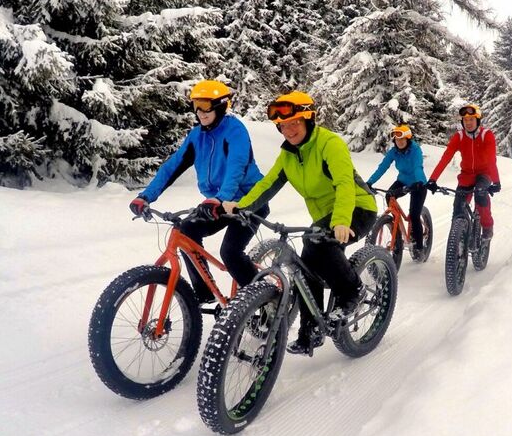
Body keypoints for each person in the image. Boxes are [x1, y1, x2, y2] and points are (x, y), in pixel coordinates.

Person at [222, 91, 378, 355]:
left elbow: (344, 184)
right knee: (306, 266)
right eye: (283, 125)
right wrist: (242, 206)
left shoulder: (330, 144)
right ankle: (311, 331)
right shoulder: (288, 155)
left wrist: (341, 220)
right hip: (324, 217)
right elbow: (268, 184)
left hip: (357, 208)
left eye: (294, 122)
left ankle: (353, 291)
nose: (289, 130)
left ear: (308, 119)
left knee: (315, 243)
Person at [128, 80, 268, 303]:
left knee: (230, 253)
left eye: (205, 105)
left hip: (249, 200)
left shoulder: (235, 130)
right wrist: (146, 196)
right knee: (186, 231)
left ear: (220, 106)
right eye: (196, 105)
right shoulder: (197, 136)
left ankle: (265, 301)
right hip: (217, 202)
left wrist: (220, 198)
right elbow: (172, 166)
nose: (200, 112)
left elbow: (237, 167)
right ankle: (204, 295)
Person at [425, 103, 500, 239]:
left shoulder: (486, 135)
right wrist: (432, 179)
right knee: (458, 207)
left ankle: (487, 226)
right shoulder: (459, 137)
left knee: (481, 195)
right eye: (465, 120)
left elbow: (491, 161)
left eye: (471, 119)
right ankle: (457, 239)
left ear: (477, 120)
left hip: (484, 174)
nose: (468, 123)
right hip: (466, 175)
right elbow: (445, 158)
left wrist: (496, 182)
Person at [366, 124, 428, 260]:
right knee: (389, 195)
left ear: (408, 139)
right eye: (396, 139)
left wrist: (418, 182)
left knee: (414, 215)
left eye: (402, 139)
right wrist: (369, 182)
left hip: (418, 184)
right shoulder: (394, 152)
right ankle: (395, 227)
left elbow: (417, 167)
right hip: (403, 181)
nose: (399, 142)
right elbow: (382, 167)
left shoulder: (415, 150)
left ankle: (419, 247)